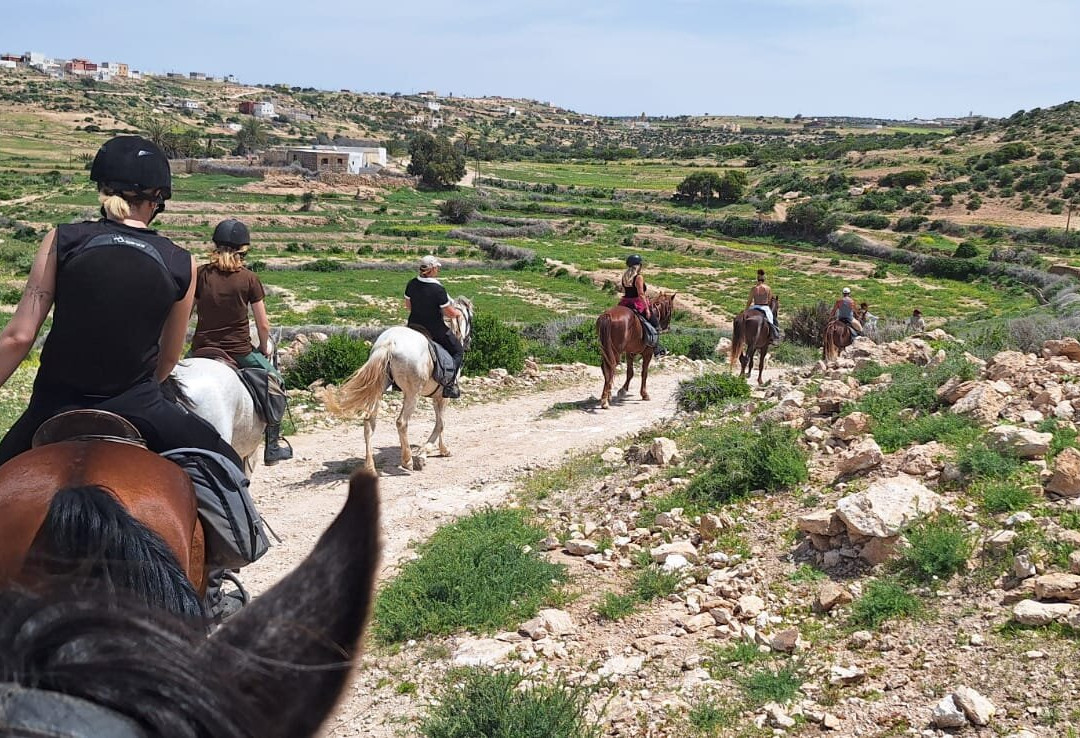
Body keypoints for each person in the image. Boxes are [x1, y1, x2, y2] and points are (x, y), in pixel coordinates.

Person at [0, 135, 244, 472]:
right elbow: (169, 357)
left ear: (102, 189)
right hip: (140, 407)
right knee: (228, 468)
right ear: (158, 198)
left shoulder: (63, 239)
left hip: (53, 405)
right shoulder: (179, 261)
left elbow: (19, 338)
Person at [191, 219, 292, 464]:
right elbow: (263, 325)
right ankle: (272, 447)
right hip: (238, 351)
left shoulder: (201, 275)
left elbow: (186, 313)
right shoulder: (248, 279)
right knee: (276, 383)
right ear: (243, 250)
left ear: (214, 246)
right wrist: (263, 345)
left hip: (202, 349)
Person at [405, 255, 465, 398]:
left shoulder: (411, 283)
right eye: (436, 267)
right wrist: (458, 313)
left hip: (413, 325)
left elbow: (408, 306)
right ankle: (450, 384)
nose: (438, 269)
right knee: (458, 350)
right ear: (431, 269)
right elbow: (449, 313)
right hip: (434, 329)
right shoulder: (438, 289)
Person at [618, 254, 666, 356]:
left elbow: (624, 291)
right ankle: (656, 349)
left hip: (625, 302)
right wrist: (647, 309)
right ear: (639, 266)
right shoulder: (638, 277)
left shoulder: (625, 277)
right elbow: (640, 294)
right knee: (655, 323)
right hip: (637, 303)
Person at [746, 268, 780, 342]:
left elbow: (749, 301)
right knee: (772, 321)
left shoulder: (754, 289)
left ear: (757, 279)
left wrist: (746, 309)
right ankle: (774, 336)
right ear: (764, 279)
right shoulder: (768, 288)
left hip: (755, 307)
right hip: (765, 307)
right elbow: (769, 300)